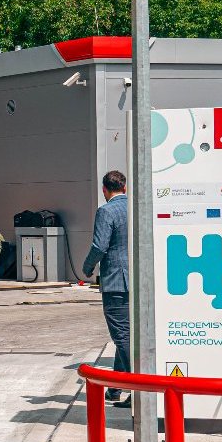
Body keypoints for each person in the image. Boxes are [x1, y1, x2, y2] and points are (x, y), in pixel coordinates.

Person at [83, 170, 132, 404]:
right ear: (124, 187)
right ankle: (115, 387)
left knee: (122, 336)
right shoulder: (135, 207)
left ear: (105, 190)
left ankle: (141, 389)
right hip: (138, 281)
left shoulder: (106, 210)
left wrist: (87, 267)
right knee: (129, 335)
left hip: (116, 281)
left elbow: (99, 246)